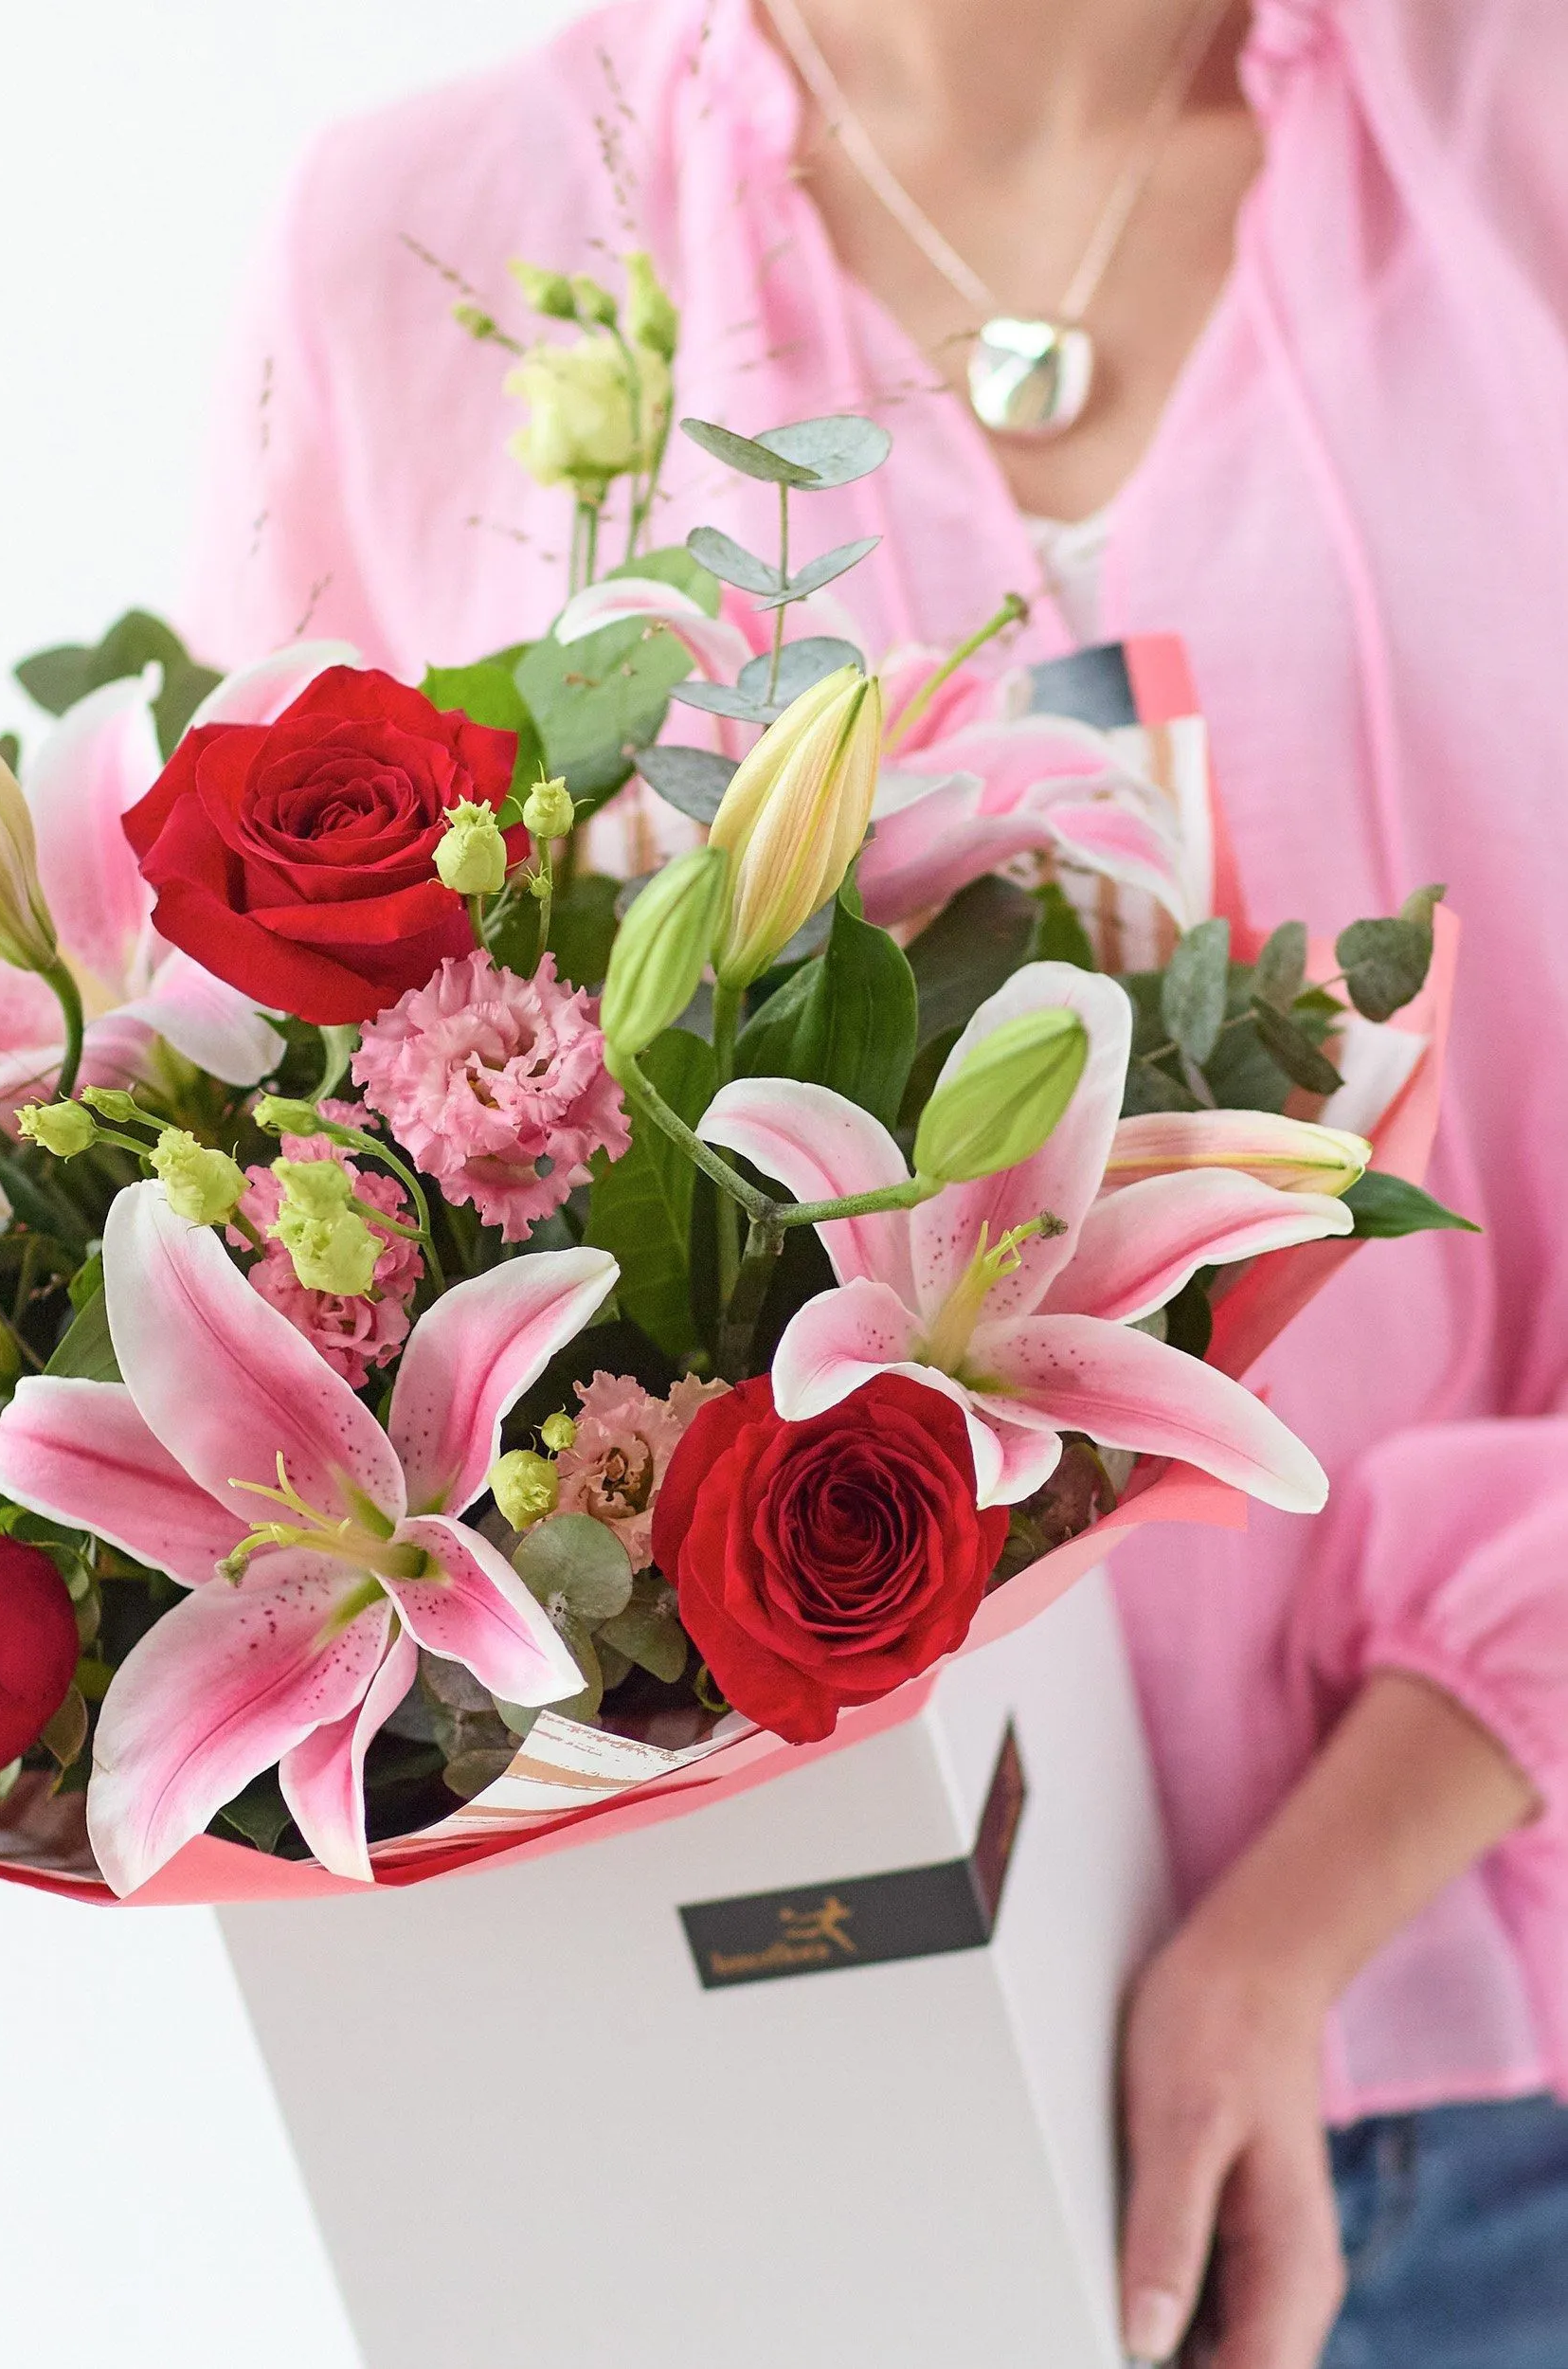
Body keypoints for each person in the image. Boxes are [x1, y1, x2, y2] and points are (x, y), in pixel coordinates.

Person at [178, 4, 1568, 2363]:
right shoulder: (426, 243)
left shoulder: (1516, 124)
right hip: (835, 2123)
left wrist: (1284, 1930)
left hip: (1509, 2076)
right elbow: (296, 1184)